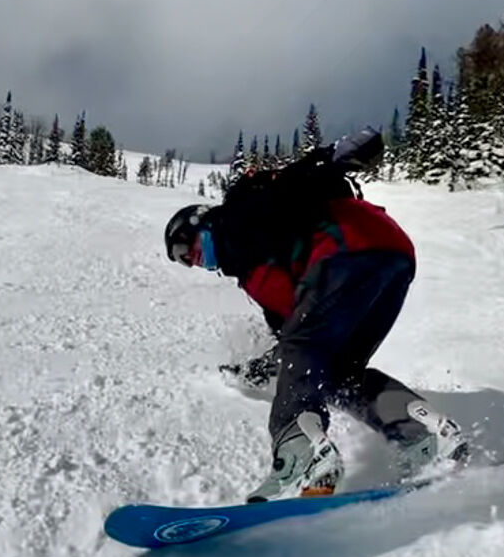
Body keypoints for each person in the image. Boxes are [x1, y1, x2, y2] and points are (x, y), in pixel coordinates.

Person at [163, 127, 468, 502]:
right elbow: (297, 338)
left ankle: (303, 460)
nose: (191, 260)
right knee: (340, 375)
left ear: (202, 222)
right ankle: (424, 437)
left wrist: (332, 155)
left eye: (186, 246)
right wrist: (264, 367)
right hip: (390, 260)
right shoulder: (254, 276)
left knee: (307, 351)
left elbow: (289, 186)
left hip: (348, 250)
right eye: (183, 261)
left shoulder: (238, 217)